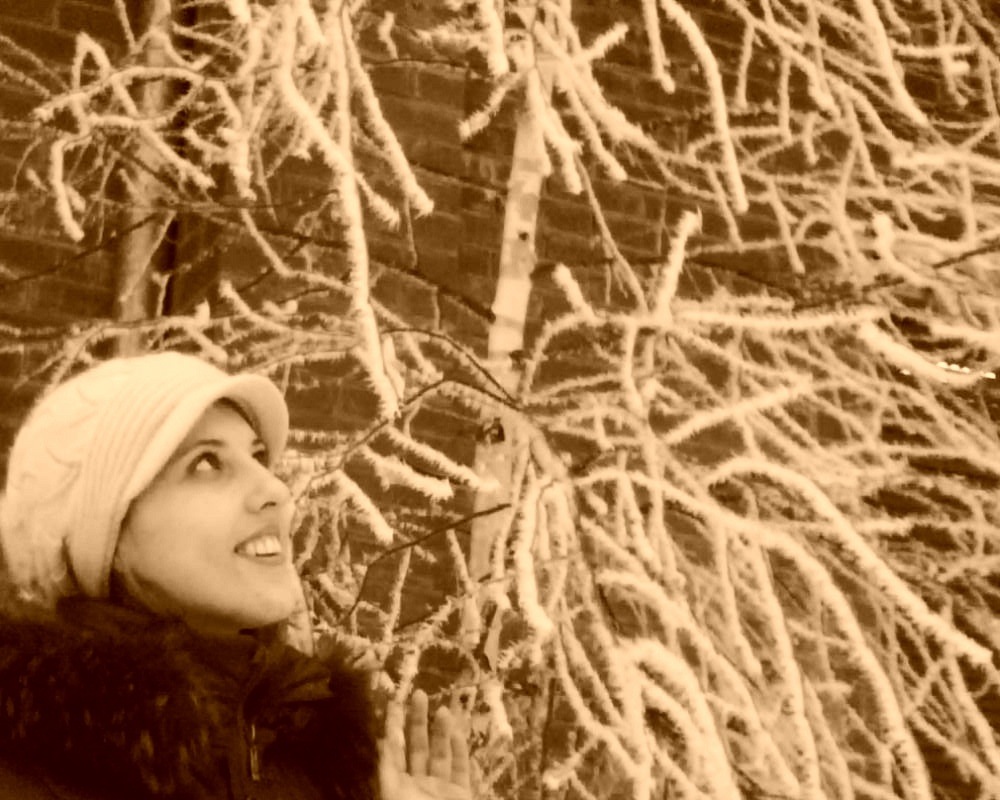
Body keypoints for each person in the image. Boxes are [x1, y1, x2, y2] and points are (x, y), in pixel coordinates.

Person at [0, 351, 473, 800]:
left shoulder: (316, 762)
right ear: (106, 540)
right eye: (207, 464)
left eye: (258, 456)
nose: (275, 489)